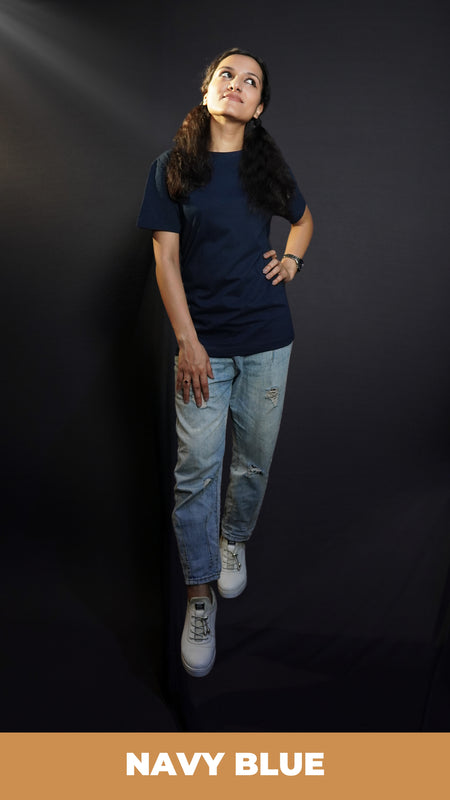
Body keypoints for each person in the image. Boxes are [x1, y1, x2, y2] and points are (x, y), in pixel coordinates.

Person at [138, 47, 313, 677]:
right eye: (226, 76)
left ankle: (232, 539)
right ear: (208, 91)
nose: (237, 85)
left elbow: (302, 220)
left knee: (253, 460)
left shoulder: (266, 167)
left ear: (258, 106)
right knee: (195, 472)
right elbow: (164, 260)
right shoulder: (172, 168)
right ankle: (199, 595)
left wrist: (292, 259)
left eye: (250, 82)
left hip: (267, 339)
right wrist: (187, 341)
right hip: (202, 347)